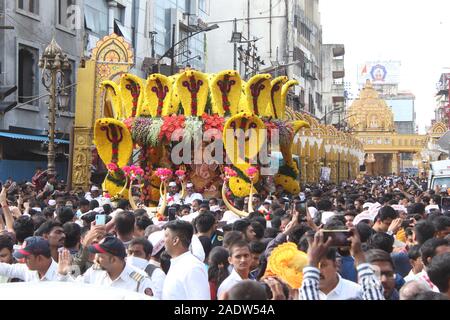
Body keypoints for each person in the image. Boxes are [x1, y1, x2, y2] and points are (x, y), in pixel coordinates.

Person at [300, 229, 384, 300]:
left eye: (322, 265)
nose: (317, 272)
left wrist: (312, 263)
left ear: (336, 264)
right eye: (313, 268)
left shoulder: (357, 292)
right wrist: (359, 256)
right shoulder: (297, 294)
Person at [57, 236, 155, 297]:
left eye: (100, 256)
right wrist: (64, 274)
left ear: (113, 260)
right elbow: (76, 288)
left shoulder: (140, 281)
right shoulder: (94, 271)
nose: (96, 259)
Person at [162, 220, 210, 300]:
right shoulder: (178, 263)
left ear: (175, 240)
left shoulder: (193, 267)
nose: (163, 240)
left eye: (166, 236)